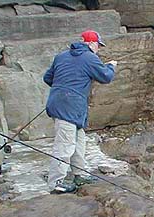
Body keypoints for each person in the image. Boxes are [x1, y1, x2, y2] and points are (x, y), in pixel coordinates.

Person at [43, 29, 117, 194]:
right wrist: (111, 66)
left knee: (78, 140)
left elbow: (47, 78)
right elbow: (106, 76)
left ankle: (80, 174)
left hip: (62, 103)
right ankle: (56, 183)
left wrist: (64, 87)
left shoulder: (61, 56)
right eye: (98, 45)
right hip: (70, 106)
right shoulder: (90, 58)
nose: (99, 48)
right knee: (65, 145)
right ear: (91, 43)